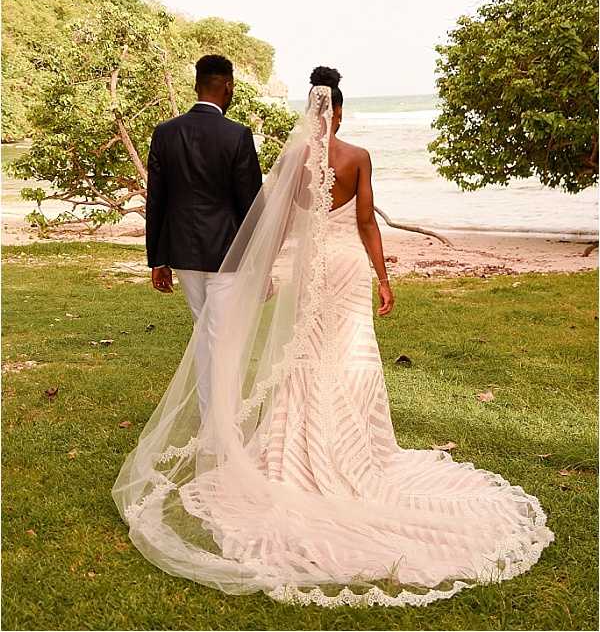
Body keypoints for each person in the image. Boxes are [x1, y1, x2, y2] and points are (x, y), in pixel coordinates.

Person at [112, 66, 555, 609]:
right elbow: (368, 222)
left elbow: (267, 222)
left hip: (308, 272)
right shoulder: (358, 158)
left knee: (304, 353)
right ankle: (359, 449)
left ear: (309, 111)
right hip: (346, 270)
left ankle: (295, 445)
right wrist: (385, 277)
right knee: (354, 355)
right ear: (339, 111)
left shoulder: (292, 163)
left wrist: (264, 268)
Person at [145, 53, 263, 416]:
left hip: (182, 251)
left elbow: (157, 201)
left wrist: (158, 259)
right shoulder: (237, 135)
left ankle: (211, 416)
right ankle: (221, 422)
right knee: (222, 336)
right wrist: (260, 259)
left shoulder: (165, 133)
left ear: (196, 84)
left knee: (205, 330)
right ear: (227, 86)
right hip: (227, 253)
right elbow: (252, 204)